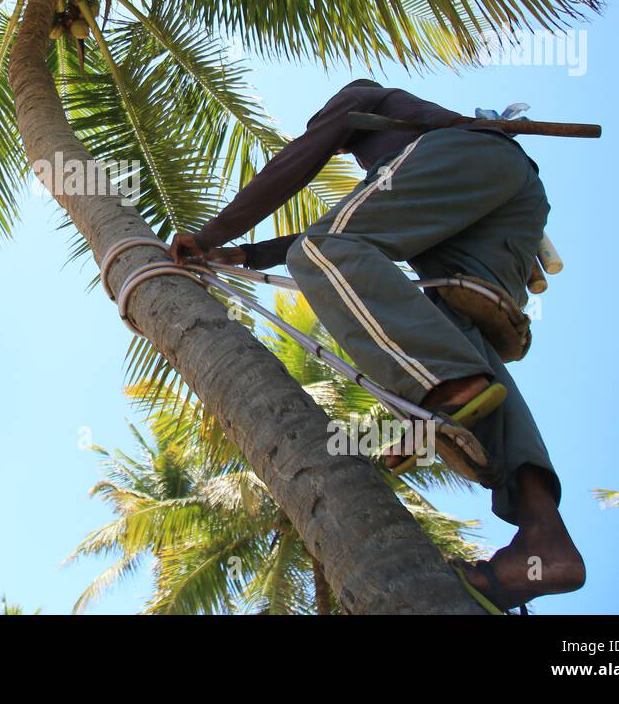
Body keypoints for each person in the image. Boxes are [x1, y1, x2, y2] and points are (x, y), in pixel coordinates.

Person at [170, 79, 585, 610]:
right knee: (456, 331)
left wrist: (212, 235)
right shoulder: (409, 168)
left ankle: (443, 385)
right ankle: (544, 540)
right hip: (508, 203)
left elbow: (302, 178)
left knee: (325, 250)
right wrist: (247, 256)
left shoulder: (365, 99)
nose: (330, 137)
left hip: (472, 157)